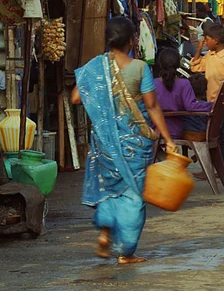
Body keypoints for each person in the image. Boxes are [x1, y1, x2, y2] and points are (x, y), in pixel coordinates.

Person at [70, 17, 177, 265]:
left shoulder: (95, 67)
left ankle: (106, 233)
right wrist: (169, 139)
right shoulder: (140, 68)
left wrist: (102, 103)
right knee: (132, 196)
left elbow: (76, 97)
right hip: (135, 144)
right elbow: (152, 106)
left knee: (110, 191)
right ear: (132, 40)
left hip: (106, 143)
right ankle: (126, 252)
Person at [191, 24, 224, 178]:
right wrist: (199, 50)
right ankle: (223, 170)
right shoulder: (209, 56)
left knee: (213, 136)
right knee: (217, 136)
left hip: (222, 104)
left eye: (206, 40)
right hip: (210, 104)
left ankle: (220, 169)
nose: (205, 42)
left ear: (216, 40)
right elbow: (194, 67)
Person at [154, 49, 212, 139]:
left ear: (160, 64)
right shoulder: (184, 83)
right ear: (178, 64)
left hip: (155, 129)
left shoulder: (153, 84)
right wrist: (211, 106)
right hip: (176, 130)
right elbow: (191, 106)